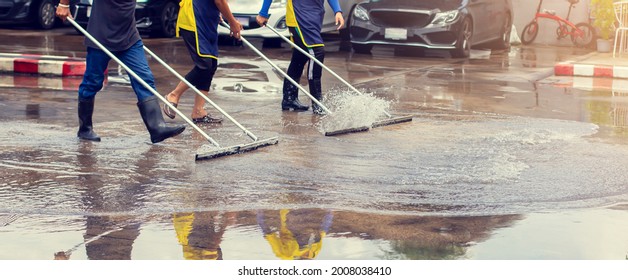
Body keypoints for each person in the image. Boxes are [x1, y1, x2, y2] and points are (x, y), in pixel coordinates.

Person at [56, 0, 185, 143]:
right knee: (92, 83)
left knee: (144, 78)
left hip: (129, 37)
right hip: (101, 36)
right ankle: (85, 129)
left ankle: (157, 128)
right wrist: (64, 4)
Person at [162, 0, 243, 124]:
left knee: (211, 65)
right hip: (194, 20)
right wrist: (232, 22)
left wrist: (221, 13)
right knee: (204, 65)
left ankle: (198, 111)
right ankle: (173, 95)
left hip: (207, 21)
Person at [256, 0, 344, 114]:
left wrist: (337, 11)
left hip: (314, 17)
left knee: (300, 56)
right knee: (317, 53)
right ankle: (317, 103)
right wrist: (263, 13)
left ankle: (289, 99)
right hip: (299, 17)